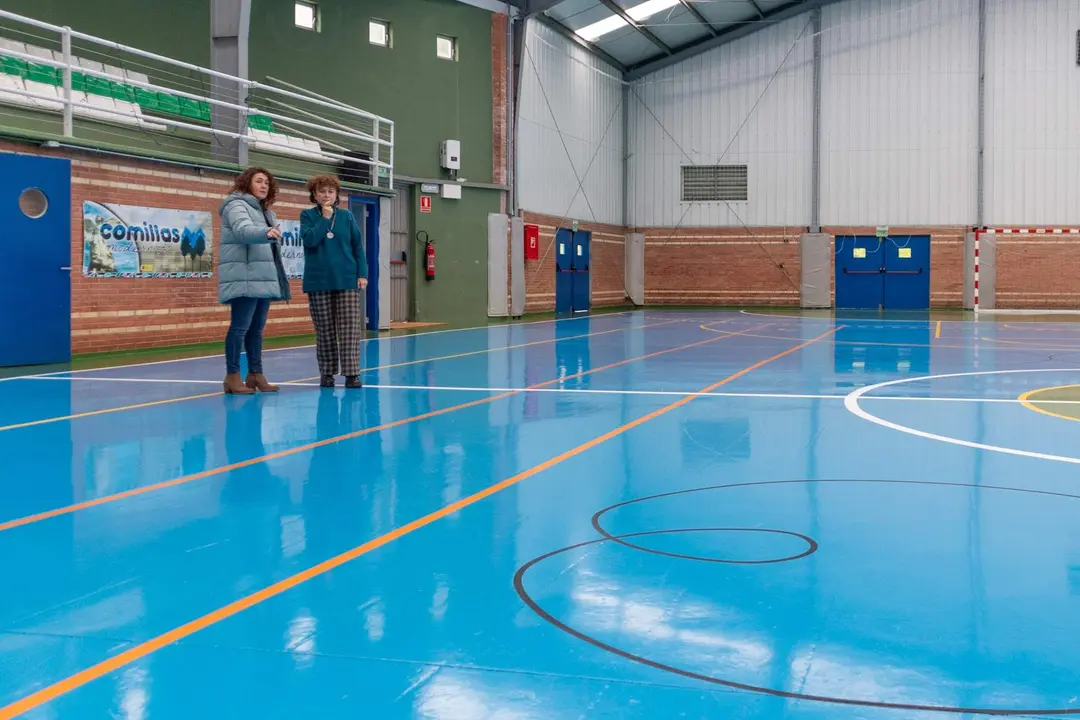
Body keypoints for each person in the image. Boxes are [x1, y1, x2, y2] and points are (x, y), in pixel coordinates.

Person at [218, 167, 291, 395]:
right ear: (246, 183)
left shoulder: (265, 211)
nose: (263, 186)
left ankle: (256, 374)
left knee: (257, 329)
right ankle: (232, 376)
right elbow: (243, 230)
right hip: (244, 275)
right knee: (239, 328)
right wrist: (266, 232)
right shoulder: (235, 205)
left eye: (267, 183)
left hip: (262, 276)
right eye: (259, 181)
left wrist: (270, 232)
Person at [300, 174, 368, 389]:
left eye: (330, 191)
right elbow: (310, 240)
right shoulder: (308, 216)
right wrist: (325, 219)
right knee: (324, 329)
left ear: (337, 195)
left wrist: (362, 273)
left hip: (346, 279)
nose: (326, 195)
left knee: (349, 328)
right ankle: (327, 373)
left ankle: (351, 374)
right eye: (322, 191)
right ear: (314, 195)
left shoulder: (347, 216)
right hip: (318, 280)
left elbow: (357, 246)